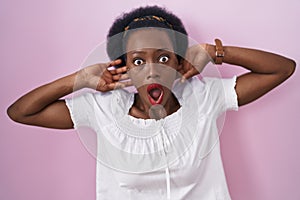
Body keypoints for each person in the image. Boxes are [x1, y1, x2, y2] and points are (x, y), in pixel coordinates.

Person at [7, 5, 295, 200]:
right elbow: (20, 112)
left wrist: (213, 52)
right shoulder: (103, 110)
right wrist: (78, 79)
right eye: (139, 61)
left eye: (163, 57)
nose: (153, 69)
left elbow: (283, 68)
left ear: (178, 63)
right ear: (125, 68)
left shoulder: (205, 97)